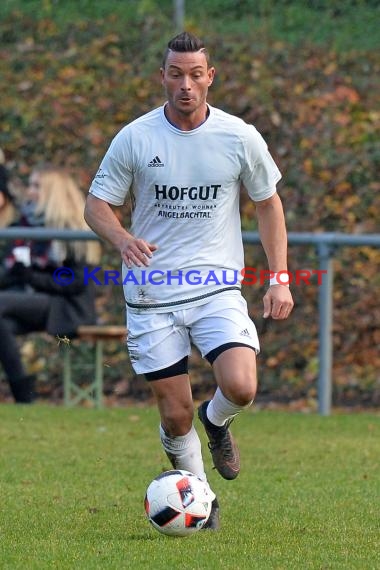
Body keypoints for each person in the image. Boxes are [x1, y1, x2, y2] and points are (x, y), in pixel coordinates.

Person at [84, 32, 294, 530]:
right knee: (174, 415)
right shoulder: (135, 137)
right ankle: (204, 500)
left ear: (210, 77)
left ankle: (216, 420)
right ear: (162, 77)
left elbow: (268, 204)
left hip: (215, 287)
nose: (186, 84)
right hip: (151, 294)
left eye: (195, 74)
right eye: (176, 74)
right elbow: (96, 206)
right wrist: (122, 239)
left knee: (241, 386)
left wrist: (279, 278)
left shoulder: (239, 136)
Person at [0, 164, 101, 403]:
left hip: (66, 306)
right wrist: (16, 272)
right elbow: (8, 276)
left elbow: (76, 283)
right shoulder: (21, 228)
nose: (30, 191)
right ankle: (24, 397)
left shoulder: (73, 233)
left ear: (52, 193)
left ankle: (23, 395)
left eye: (37, 186)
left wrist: (31, 276)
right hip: (26, 302)